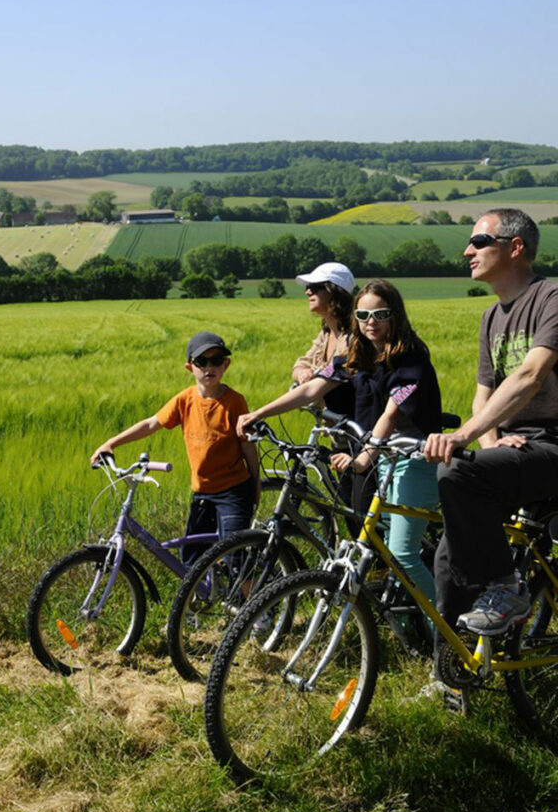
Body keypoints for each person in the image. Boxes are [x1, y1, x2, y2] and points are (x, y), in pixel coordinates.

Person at [238, 280, 443, 604]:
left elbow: (390, 415)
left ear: (395, 315)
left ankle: (446, 636)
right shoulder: (355, 356)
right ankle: (403, 610)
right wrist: (259, 413)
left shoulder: (410, 358)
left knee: (402, 554)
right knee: (377, 537)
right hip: (382, 458)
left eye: (380, 314)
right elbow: (310, 389)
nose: (370, 322)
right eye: (363, 315)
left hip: (411, 458)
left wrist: (362, 458)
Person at [424, 208, 558, 635]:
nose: (467, 251)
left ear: (515, 248)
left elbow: (530, 375)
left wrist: (463, 436)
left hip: (553, 443)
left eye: (479, 241)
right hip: (514, 447)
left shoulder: (551, 298)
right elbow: (485, 391)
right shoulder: (490, 317)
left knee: (456, 476)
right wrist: (488, 442)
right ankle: (455, 671)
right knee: (448, 557)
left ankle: (508, 586)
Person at [90, 331, 260, 560]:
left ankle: (253, 597)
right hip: (202, 493)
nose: (210, 367)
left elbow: (247, 445)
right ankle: (206, 595)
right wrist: (111, 443)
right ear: (190, 367)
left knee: (235, 558)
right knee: (191, 557)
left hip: (233, 492)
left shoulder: (234, 401)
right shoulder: (184, 400)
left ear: (226, 365)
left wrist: (255, 482)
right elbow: (151, 423)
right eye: (202, 361)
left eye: (216, 360)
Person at [291, 262, 355, 384]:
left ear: (334, 291)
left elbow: (322, 385)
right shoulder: (326, 334)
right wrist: (302, 373)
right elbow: (301, 363)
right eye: (307, 287)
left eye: (314, 287)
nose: (308, 292)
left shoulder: (353, 338)